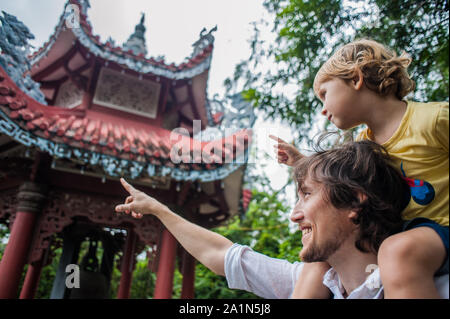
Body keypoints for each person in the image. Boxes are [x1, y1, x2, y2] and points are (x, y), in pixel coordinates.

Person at [115, 140, 448, 299]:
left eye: (306, 195)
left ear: (355, 202)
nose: (294, 215)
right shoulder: (311, 283)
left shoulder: (429, 283)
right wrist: (160, 210)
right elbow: (222, 256)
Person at [270, 38, 449, 298]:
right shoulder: (363, 145)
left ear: (355, 79)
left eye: (324, 94)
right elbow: (337, 184)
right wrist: (301, 162)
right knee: (320, 256)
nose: (322, 110)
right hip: (396, 234)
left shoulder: (433, 120)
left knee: (397, 251)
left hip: (439, 231)